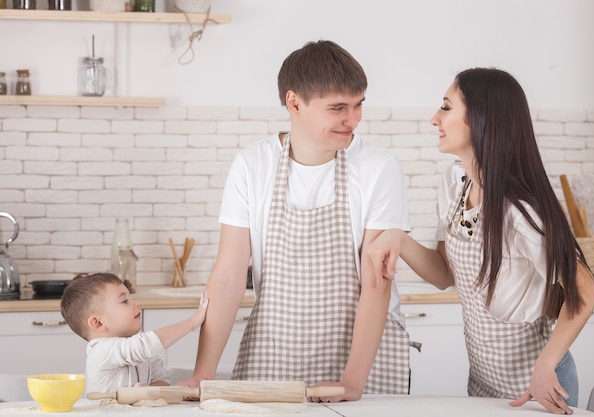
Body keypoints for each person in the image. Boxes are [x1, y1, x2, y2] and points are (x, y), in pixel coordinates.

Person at [185, 40, 412, 401]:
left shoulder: (379, 167)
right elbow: (228, 277)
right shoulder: (252, 165)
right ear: (294, 103)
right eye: (338, 108)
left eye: (358, 106)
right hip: (274, 347)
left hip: (363, 355)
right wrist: (202, 374)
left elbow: (376, 283)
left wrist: (351, 382)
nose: (352, 120)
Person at [367, 68, 594, 414]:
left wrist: (546, 365)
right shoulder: (455, 183)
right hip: (482, 381)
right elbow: (445, 274)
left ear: (480, 118)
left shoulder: (519, 213)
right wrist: (397, 237)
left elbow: (586, 289)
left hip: (538, 385)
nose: (434, 119)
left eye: (446, 108)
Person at [60, 273, 209, 393]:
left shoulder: (141, 351)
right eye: (125, 301)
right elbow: (144, 345)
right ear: (98, 323)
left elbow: (161, 377)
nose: (136, 303)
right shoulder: (100, 351)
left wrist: (153, 390)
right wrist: (192, 322)